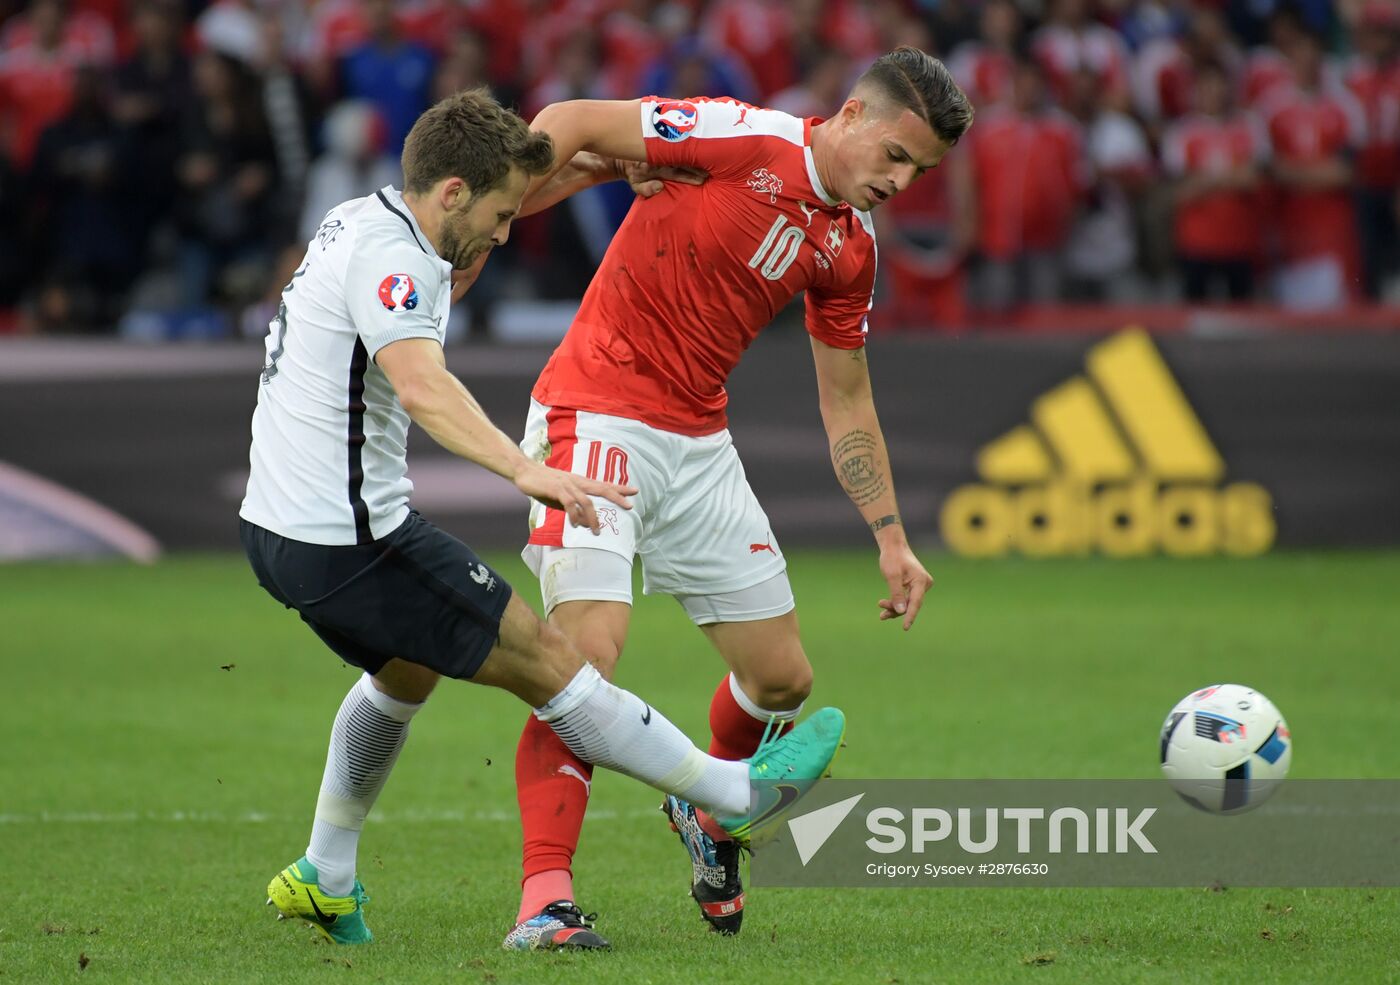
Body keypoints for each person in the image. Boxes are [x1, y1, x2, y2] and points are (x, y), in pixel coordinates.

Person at [239, 87, 846, 950]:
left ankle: (323, 874)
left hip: (277, 527)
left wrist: (599, 163)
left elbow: (485, 219)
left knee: (407, 673)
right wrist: (530, 470)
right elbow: (422, 387)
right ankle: (730, 794)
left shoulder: (359, 219)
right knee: (556, 664)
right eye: (495, 214)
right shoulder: (398, 262)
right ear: (452, 192)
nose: (501, 233)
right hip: (355, 541)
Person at [504, 46, 970, 948]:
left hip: (698, 441)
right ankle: (544, 899)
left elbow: (847, 400)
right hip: (598, 409)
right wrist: (506, 207)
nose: (902, 181)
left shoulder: (850, 247)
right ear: (852, 117)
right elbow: (572, 119)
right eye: (897, 155)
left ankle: (710, 813)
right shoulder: (738, 135)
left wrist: (891, 536)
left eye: (920, 171)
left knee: (783, 678)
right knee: (583, 658)